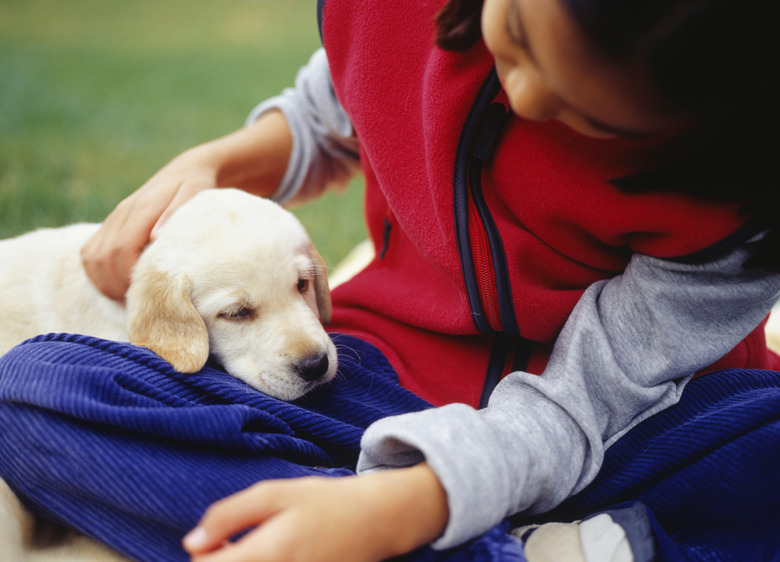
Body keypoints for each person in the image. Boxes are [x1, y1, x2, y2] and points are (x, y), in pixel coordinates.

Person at [1, 0, 779, 560]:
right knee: (35, 386)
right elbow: (330, 109)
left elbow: (583, 407)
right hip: (383, 385)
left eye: (600, 123)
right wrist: (217, 162)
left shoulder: (746, 185)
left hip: (632, 427)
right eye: (511, 37)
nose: (526, 99)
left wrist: (404, 507)